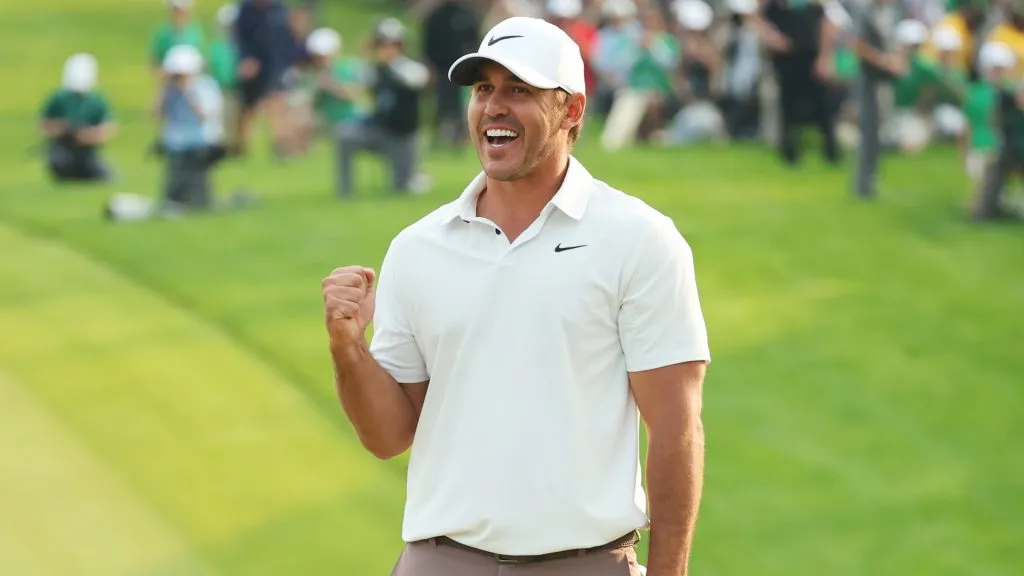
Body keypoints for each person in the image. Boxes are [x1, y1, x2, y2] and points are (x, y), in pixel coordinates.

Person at [322, 15, 710, 576]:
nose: (493, 107)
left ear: (571, 109)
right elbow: (387, 436)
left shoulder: (639, 240)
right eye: (483, 90)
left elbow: (676, 427)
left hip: (585, 563)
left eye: (519, 91)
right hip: (440, 561)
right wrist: (347, 348)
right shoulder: (416, 249)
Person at [336, 18, 431, 197]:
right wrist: (365, 55)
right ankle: (345, 191)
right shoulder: (374, 70)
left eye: (391, 44)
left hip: (403, 137)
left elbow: (417, 80)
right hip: (380, 132)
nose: (386, 49)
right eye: (381, 44)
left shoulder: (411, 68)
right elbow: (358, 80)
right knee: (345, 135)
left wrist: (389, 65)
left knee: (402, 187)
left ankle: (414, 174)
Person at [750, 0, 841, 166]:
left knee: (823, 107)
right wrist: (772, 37)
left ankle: (831, 152)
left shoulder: (815, 5)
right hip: (787, 61)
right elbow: (756, 18)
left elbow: (827, 25)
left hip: (811, 58)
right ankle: (790, 153)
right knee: (788, 109)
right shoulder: (775, 6)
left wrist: (824, 57)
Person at [848, 0, 908, 198]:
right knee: (868, 132)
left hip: (884, 81)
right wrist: (885, 61)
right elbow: (857, 44)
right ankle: (863, 186)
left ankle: (870, 181)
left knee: (878, 132)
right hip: (868, 80)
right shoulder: (864, 13)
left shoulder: (891, 12)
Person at [156, 44, 225, 214]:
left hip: (199, 144)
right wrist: (163, 89)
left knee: (198, 197)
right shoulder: (169, 90)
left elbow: (204, 115)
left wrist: (187, 91)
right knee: (172, 195)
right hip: (175, 144)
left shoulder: (206, 86)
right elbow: (156, 113)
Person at [39, 53, 116, 183]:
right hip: (63, 148)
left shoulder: (97, 101)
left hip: (86, 151)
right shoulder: (58, 98)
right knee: (61, 162)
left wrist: (85, 135)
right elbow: (43, 125)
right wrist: (61, 129)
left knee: (105, 175)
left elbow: (108, 129)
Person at [233, 0, 296, 156]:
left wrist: (287, 63)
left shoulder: (279, 9)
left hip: (275, 66)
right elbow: (240, 38)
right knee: (248, 108)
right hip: (253, 65)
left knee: (277, 105)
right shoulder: (245, 9)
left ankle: (280, 147)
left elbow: (287, 39)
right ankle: (241, 147)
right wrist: (246, 59)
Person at [422, 0, 481, 149]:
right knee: (442, 104)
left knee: (461, 105)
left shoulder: (466, 14)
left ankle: (460, 138)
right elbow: (427, 44)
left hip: (463, 67)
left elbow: (474, 41)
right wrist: (430, 67)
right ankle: (441, 136)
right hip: (441, 68)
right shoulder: (435, 15)